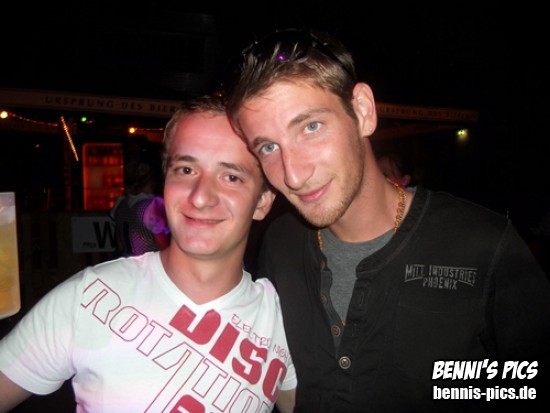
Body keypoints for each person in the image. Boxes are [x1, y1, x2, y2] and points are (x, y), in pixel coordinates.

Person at [222, 28, 550, 412]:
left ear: (363, 111)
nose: (293, 174)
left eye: (311, 127)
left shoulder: (483, 245)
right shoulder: (281, 244)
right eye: (268, 146)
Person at [0, 95, 297, 413]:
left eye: (231, 177)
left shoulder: (283, 320)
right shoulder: (89, 297)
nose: (200, 197)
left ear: (263, 201)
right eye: (186, 169)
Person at [110, 159, 170, 256]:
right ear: (152, 180)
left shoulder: (120, 205)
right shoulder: (153, 206)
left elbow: (120, 244)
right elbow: (163, 248)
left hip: (128, 262)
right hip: (151, 264)